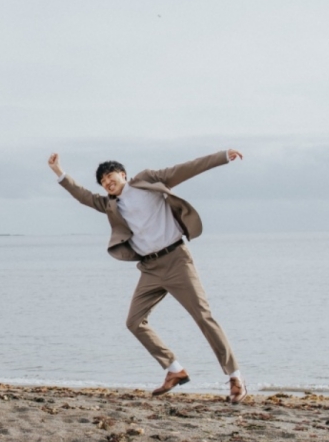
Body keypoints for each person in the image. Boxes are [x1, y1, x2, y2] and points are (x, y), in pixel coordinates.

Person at [47, 150, 247, 403]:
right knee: (134, 322)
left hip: (176, 261)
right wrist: (59, 173)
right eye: (103, 182)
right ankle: (174, 369)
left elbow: (186, 168)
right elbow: (83, 196)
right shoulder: (110, 205)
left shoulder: (148, 181)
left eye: (110, 177)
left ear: (123, 174)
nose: (107, 183)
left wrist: (223, 156)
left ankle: (235, 377)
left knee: (203, 318)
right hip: (149, 268)